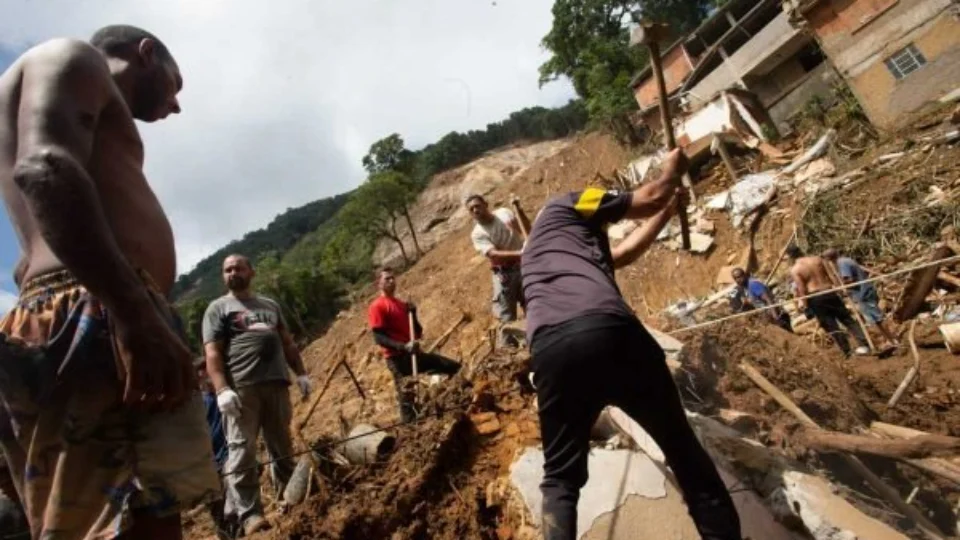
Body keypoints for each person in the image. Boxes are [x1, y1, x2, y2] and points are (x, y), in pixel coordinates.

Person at [0, 25, 221, 540]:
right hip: (101, 313)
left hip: (76, 309)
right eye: (175, 84)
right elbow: (45, 169)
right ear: (146, 54)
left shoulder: (25, 99)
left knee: (105, 522)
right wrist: (132, 313)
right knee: (136, 521)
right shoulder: (71, 58)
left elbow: (28, 254)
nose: (175, 104)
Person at [521, 149, 742, 540]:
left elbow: (622, 253)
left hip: (552, 351)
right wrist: (673, 170)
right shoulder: (570, 201)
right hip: (610, 331)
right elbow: (650, 194)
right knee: (684, 453)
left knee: (559, 480)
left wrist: (667, 213)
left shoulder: (552, 250)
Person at [202, 254, 313, 535]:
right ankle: (250, 514)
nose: (232, 273)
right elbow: (212, 353)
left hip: (277, 384)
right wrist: (222, 389)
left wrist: (300, 373)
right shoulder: (218, 309)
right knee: (242, 452)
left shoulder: (270, 305)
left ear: (251, 272)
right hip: (242, 390)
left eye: (238, 268)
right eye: (227, 270)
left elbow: (287, 343)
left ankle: (291, 499)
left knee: (282, 446)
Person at [368, 267, 461, 422]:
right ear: (379, 284)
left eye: (393, 278)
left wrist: (413, 313)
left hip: (412, 354)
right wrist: (403, 347)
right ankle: (411, 431)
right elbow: (379, 337)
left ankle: (454, 398)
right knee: (406, 397)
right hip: (397, 359)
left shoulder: (401, 304)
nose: (392, 281)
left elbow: (417, 333)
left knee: (450, 366)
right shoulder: (377, 306)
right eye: (387, 279)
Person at [788, 245, 870, 356]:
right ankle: (864, 344)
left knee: (831, 325)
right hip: (830, 291)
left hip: (815, 297)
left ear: (790, 256)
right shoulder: (817, 259)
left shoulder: (795, 269)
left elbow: (802, 288)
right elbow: (831, 275)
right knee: (847, 319)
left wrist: (805, 303)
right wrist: (840, 289)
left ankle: (847, 351)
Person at [467, 194, 531, 322]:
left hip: (523, 267)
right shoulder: (478, 233)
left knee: (532, 305)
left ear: (486, 204)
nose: (475, 210)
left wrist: (519, 210)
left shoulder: (504, 213)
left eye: (477, 206)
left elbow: (526, 229)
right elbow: (493, 254)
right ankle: (508, 342)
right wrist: (520, 253)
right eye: (471, 209)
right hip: (504, 275)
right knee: (506, 317)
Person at [194, 357, 238, 540]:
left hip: (228, 456)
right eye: (201, 372)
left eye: (208, 370)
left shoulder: (226, 397)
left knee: (233, 500)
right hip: (207, 464)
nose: (206, 375)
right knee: (216, 510)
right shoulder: (196, 404)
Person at [823, 249, 899, 348]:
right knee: (876, 320)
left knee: (878, 318)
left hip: (863, 293)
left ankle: (893, 339)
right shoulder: (845, 261)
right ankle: (889, 340)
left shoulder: (842, 264)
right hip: (863, 292)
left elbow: (849, 279)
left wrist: (839, 285)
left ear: (829, 259)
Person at [730, 267, 792, 332]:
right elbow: (757, 301)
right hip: (771, 317)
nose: (738, 280)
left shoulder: (753, 284)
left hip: (778, 315)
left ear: (745, 275)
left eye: (739, 277)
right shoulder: (746, 287)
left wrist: (776, 317)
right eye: (735, 278)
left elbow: (768, 299)